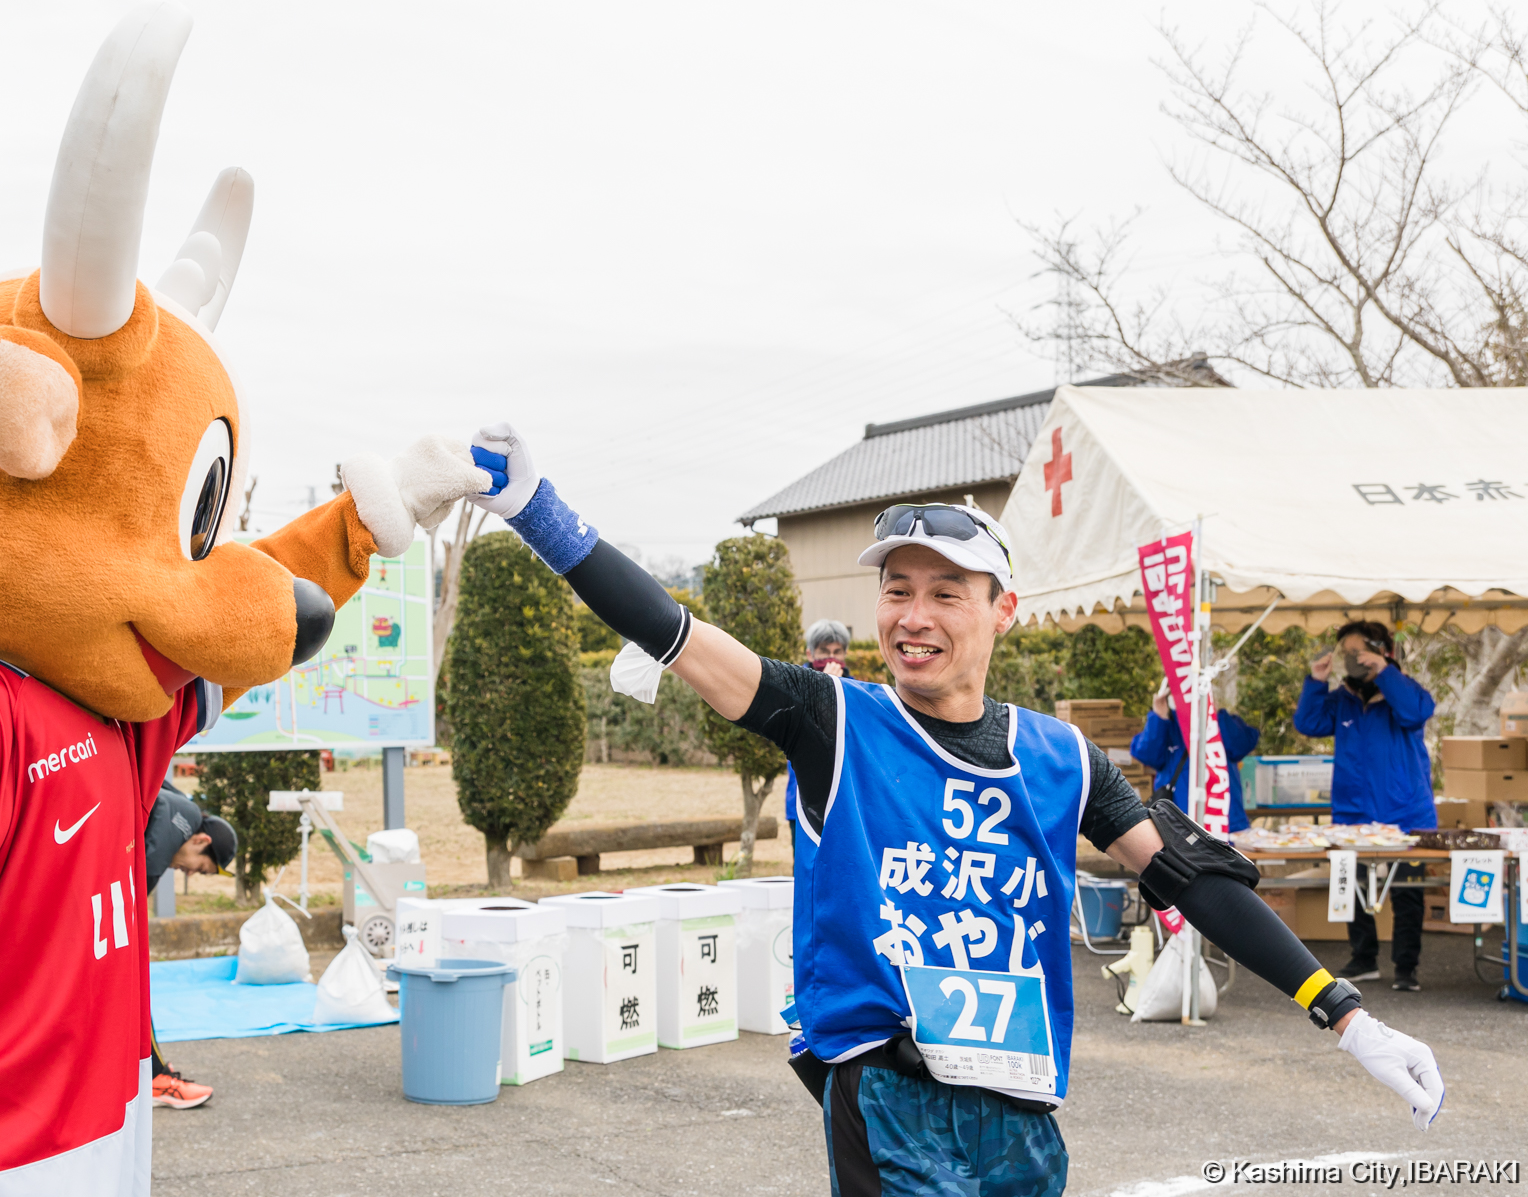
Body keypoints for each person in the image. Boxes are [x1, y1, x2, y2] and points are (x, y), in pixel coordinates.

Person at [469, 424, 1442, 1196]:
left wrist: (1348, 1016)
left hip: (1019, 1104)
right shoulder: (831, 718)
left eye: (945, 591)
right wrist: (539, 512)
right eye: (896, 591)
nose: (912, 615)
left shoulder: (1061, 759)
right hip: (884, 1089)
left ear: (1002, 608)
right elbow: (678, 633)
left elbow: (1193, 879)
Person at [1293, 622, 1436, 993]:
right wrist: (1316, 680)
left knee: (1407, 891)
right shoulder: (1342, 699)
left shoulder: (1403, 691)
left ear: (1381, 649)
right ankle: (1363, 958)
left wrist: (1384, 670)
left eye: (1358, 653)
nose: (1351, 661)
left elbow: (1417, 713)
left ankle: (1406, 966)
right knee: (1352, 887)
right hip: (1353, 813)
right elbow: (1308, 723)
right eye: (1347, 655)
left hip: (1406, 813)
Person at [144, 780, 238, 1109]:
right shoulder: (179, 814)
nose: (189, 872)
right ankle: (154, 1079)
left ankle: (150, 1075)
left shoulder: (176, 802)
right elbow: (139, 883)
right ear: (200, 840)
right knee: (134, 984)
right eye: (199, 867)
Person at [1130, 678, 1261, 832]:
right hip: (1179, 826)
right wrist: (1159, 715)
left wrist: (1214, 712)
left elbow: (1241, 745)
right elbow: (1147, 755)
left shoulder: (1218, 721)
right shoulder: (1167, 726)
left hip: (1224, 821)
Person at [787, 620, 852, 844]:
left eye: (837, 652)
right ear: (810, 653)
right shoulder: (794, 684)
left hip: (846, 801)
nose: (832, 657)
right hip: (803, 798)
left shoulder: (855, 688)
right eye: (824, 651)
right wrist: (825, 685)